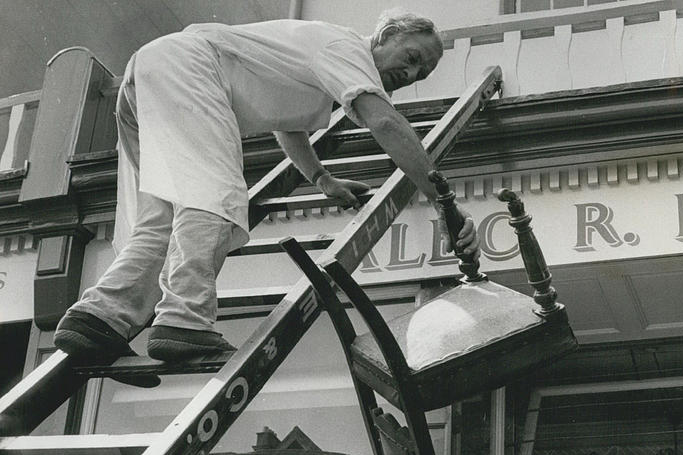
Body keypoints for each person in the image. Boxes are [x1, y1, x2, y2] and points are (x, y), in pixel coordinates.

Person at [54, 9, 478, 365]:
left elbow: (288, 127)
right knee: (214, 197)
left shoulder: (321, 58)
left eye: (422, 70)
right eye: (412, 56)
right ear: (384, 36)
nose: (412, 72)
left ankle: (99, 316)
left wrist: (321, 178)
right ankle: (184, 322)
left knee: (162, 216)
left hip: (152, 73)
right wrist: (446, 203)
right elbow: (384, 121)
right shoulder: (347, 50)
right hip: (191, 67)